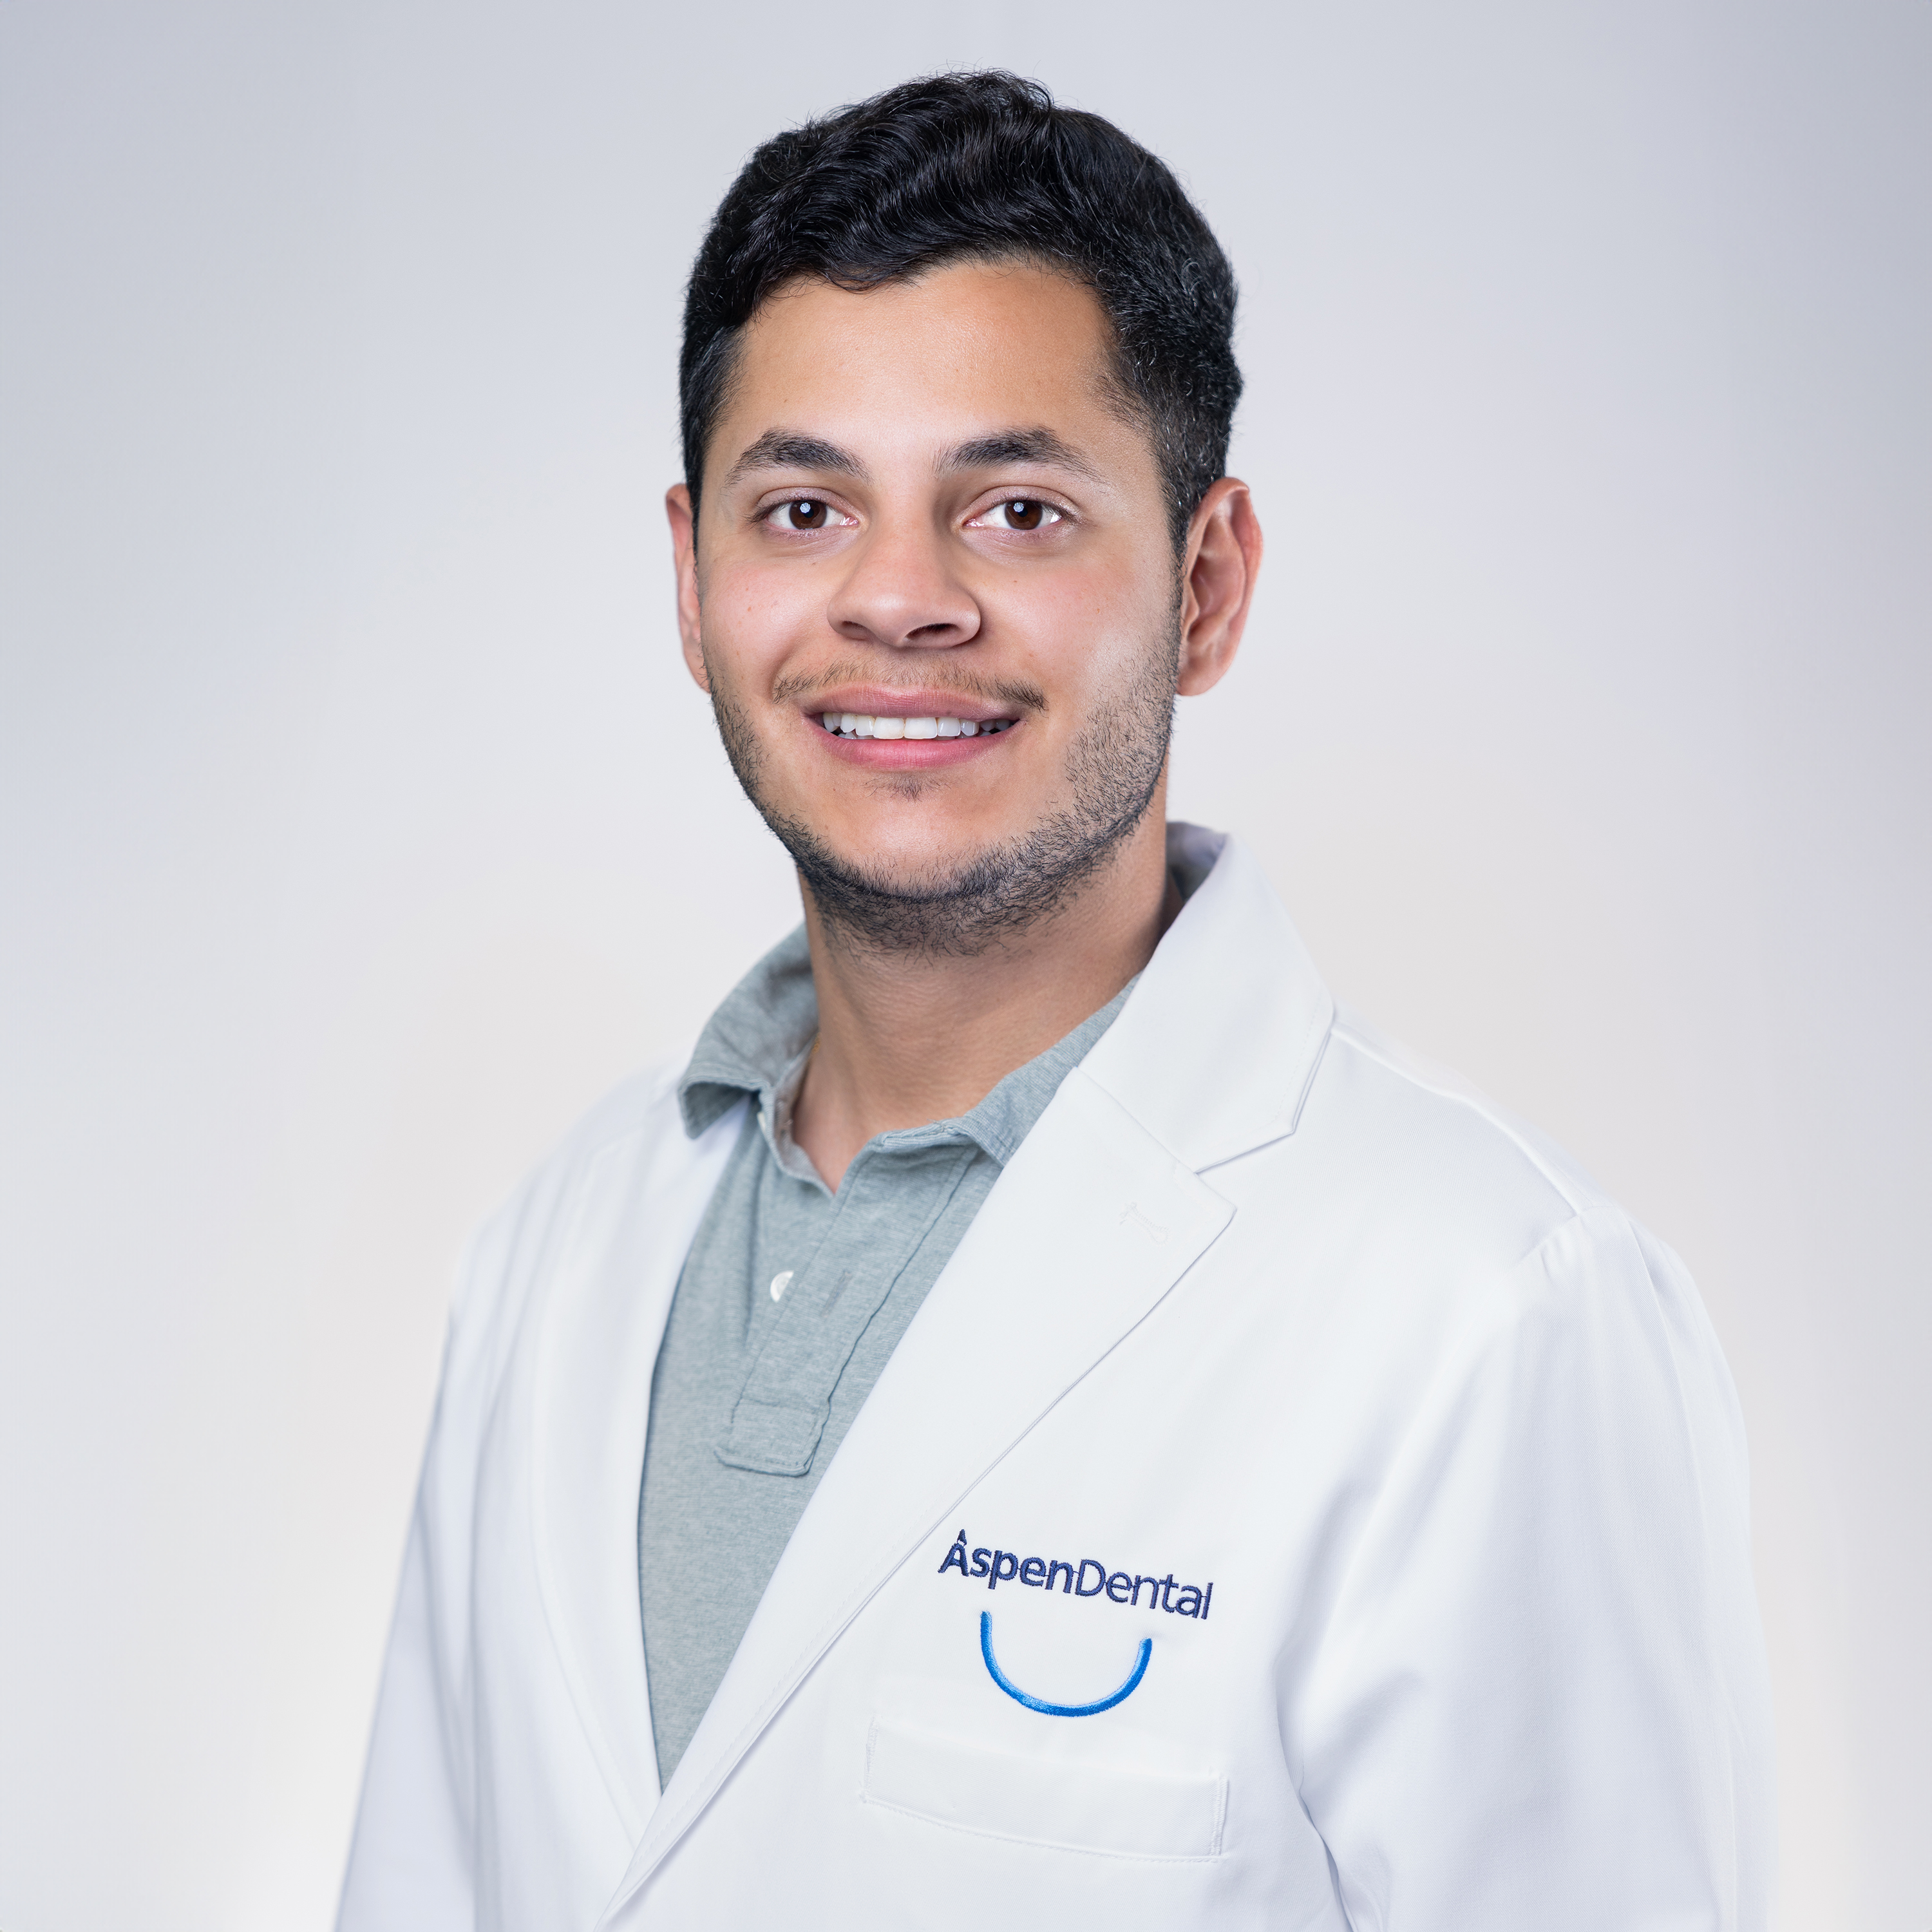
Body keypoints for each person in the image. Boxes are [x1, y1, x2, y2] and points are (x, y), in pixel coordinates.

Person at [337, 71, 1774, 1932]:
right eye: (803, 508)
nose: (898, 601)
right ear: (692, 580)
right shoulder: (560, 1246)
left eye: (1016, 509)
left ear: (1207, 584)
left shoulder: (1491, 1315)